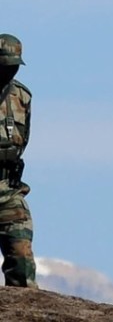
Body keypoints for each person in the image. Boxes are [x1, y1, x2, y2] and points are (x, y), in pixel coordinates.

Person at [0, 34, 36, 288]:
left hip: (8, 190)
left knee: (21, 259)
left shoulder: (21, 97)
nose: (9, 71)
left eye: (13, 66)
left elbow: (23, 140)